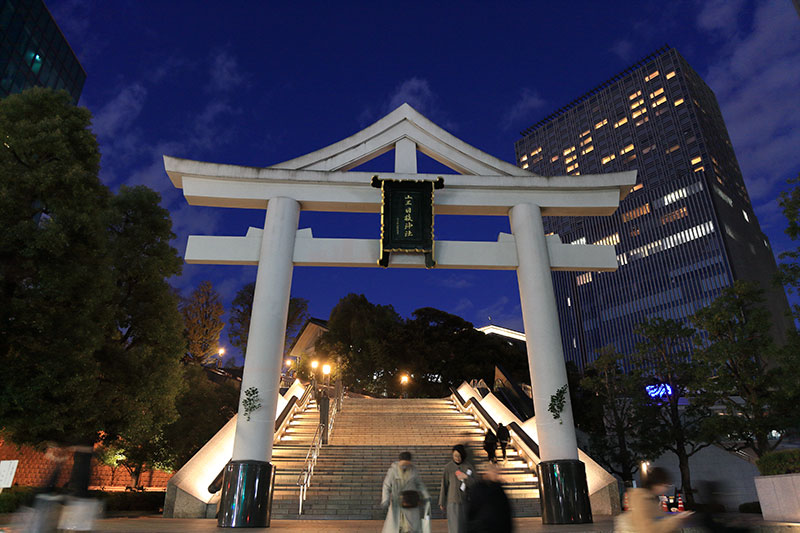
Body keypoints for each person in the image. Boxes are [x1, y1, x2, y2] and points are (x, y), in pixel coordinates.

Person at [617, 467, 693, 533]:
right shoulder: (641, 498)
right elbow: (647, 530)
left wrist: (676, 517)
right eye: (665, 486)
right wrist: (676, 519)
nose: (666, 489)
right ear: (657, 484)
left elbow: (661, 518)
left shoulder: (650, 498)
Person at [381, 451, 431, 533]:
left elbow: (419, 484)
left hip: (410, 501)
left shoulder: (413, 470)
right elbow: (386, 485)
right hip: (397, 502)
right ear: (399, 462)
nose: (404, 466)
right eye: (403, 464)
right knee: (397, 526)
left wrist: (426, 495)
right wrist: (385, 499)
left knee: (411, 527)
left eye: (407, 464)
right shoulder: (392, 471)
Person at [439, 444, 477, 533]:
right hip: (452, 501)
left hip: (465, 501)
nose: (457, 458)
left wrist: (467, 478)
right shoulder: (448, 468)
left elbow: (475, 484)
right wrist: (442, 501)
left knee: (464, 526)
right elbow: (444, 485)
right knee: (454, 526)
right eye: (455, 456)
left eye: (460, 456)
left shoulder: (468, 467)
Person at [466, 462, 513, 533]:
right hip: (482, 527)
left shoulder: (499, 490)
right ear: (487, 472)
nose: (495, 474)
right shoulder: (478, 488)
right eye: (493, 472)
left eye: (497, 472)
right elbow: (472, 510)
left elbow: (506, 512)